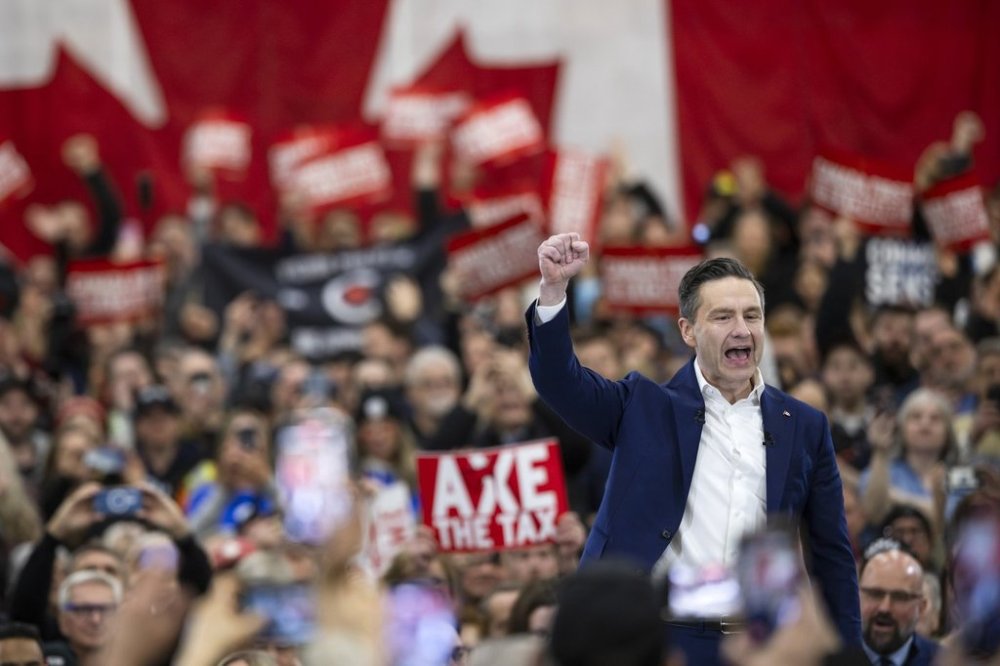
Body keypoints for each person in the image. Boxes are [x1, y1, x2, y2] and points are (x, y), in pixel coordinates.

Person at [528, 233, 860, 664]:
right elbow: (560, 381)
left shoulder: (804, 425)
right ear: (687, 330)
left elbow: (832, 555)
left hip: (754, 646)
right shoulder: (643, 405)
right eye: (723, 317)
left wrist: (849, 654)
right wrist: (554, 291)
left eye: (752, 316)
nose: (741, 329)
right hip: (652, 640)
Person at [858, 544, 939, 666]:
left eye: (900, 597)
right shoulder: (832, 657)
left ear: (921, 608)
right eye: (875, 594)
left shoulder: (945, 661)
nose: (884, 608)